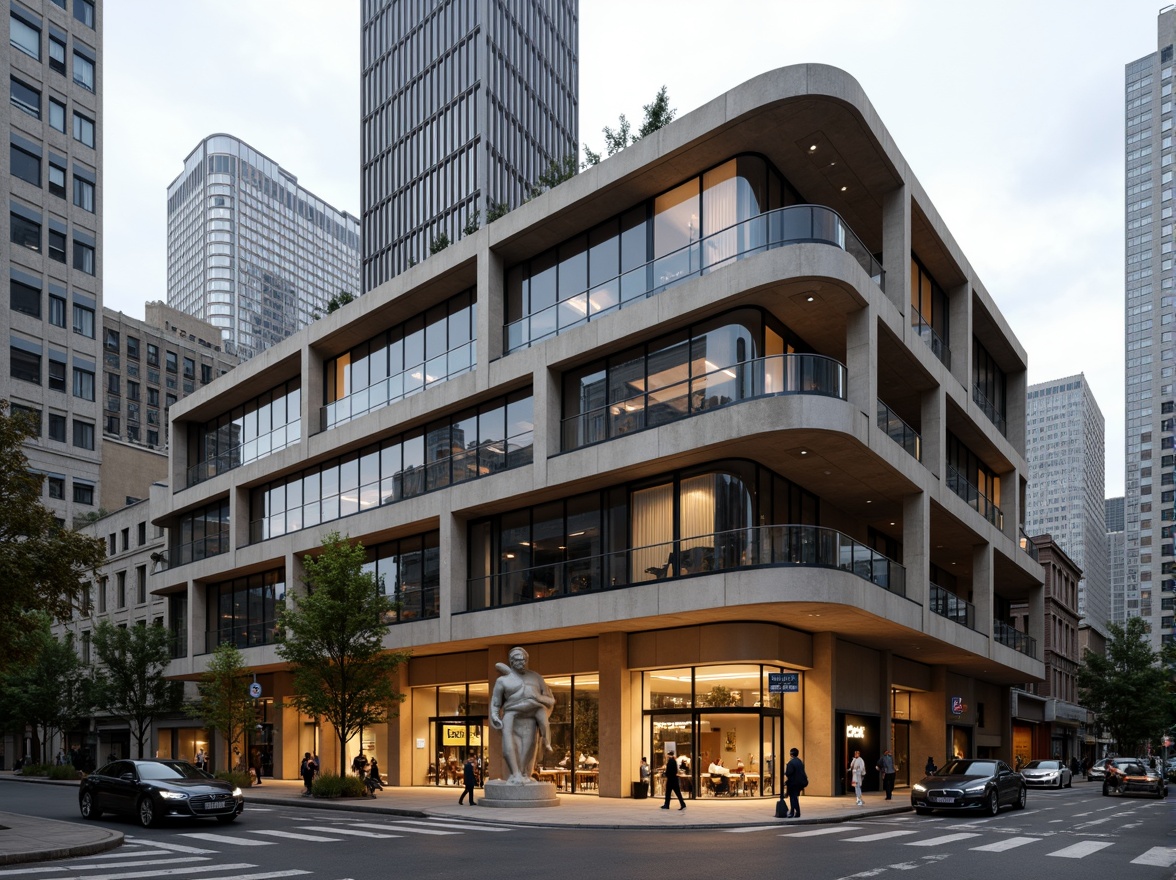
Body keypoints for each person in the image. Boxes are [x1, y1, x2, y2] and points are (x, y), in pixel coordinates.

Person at [489, 646, 556, 783]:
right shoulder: (503, 681)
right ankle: (515, 774)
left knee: (529, 745)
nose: (522, 663)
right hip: (511, 713)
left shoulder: (536, 677)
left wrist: (537, 697)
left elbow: (550, 700)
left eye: (524, 660)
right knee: (509, 744)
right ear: (512, 662)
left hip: (531, 713)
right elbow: (495, 703)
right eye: (519, 661)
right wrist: (495, 717)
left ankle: (525, 773)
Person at [783, 747, 807, 818]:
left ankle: (795, 811)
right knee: (795, 797)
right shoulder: (800, 762)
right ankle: (794, 812)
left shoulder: (791, 763)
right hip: (800, 782)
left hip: (793, 783)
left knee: (793, 798)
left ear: (791, 754)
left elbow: (788, 773)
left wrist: (785, 773)